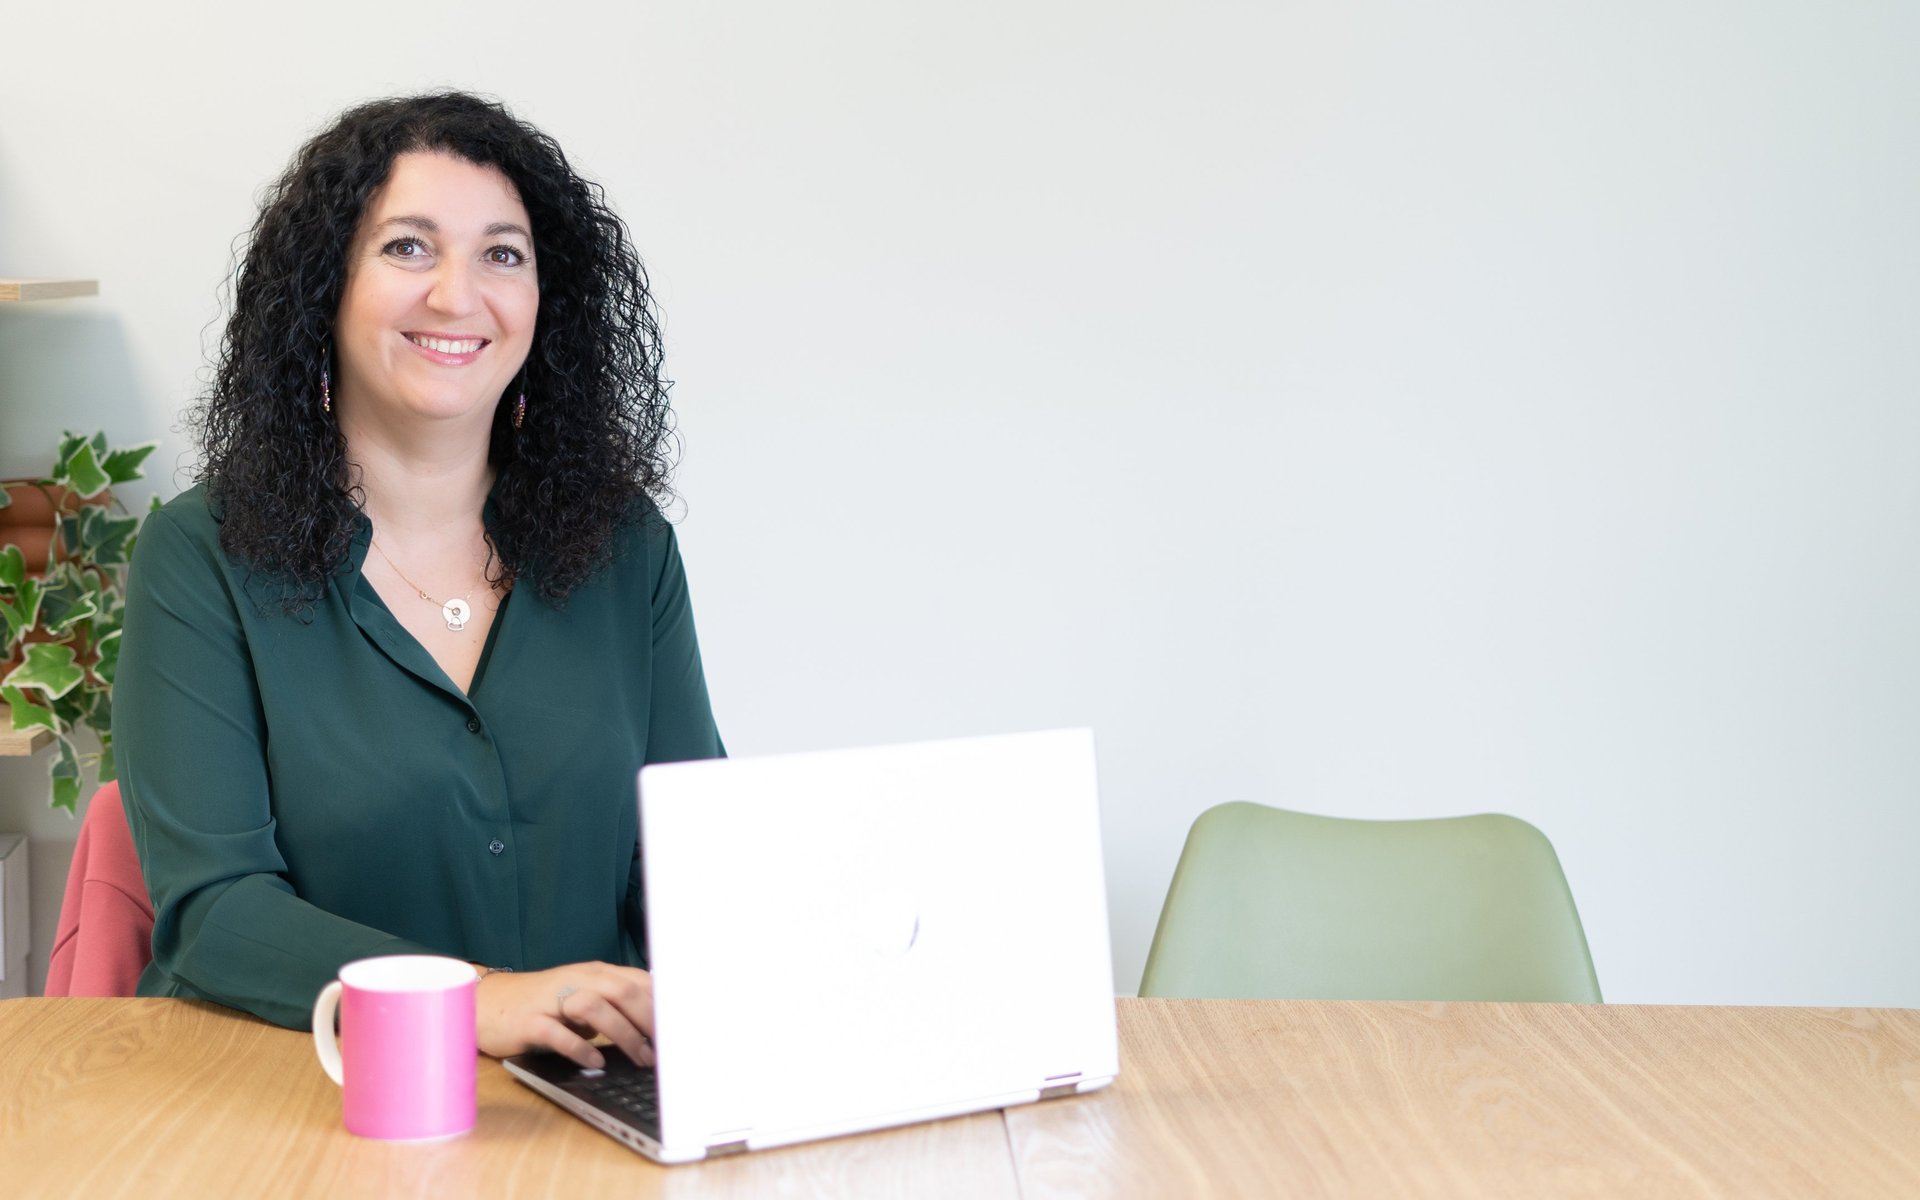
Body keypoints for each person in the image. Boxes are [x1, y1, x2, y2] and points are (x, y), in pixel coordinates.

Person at [114, 92, 721, 1071]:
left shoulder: (628, 548)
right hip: (299, 1091)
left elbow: (697, 860)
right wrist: (473, 1001)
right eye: (408, 248)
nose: (455, 295)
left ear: (545, 300)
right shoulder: (201, 555)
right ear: (326, 285)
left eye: (502, 254)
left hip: (590, 1094)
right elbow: (215, 910)